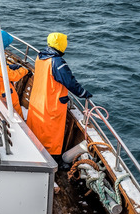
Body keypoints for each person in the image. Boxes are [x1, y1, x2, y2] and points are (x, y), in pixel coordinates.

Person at [26, 32, 92, 160]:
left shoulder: (40, 57)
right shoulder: (57, 62)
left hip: (38, 101)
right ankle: (52, 159)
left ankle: (35, 151)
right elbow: (69, 82)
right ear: (62, 44)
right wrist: (83, 93)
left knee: (37, 130)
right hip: (51, 104)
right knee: (51, 136)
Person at [0, 30, 29, 117]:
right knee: (16, 108)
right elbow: (13, 76)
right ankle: (21, 126)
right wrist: (24, 70)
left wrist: (11, 66)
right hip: (4, 90)